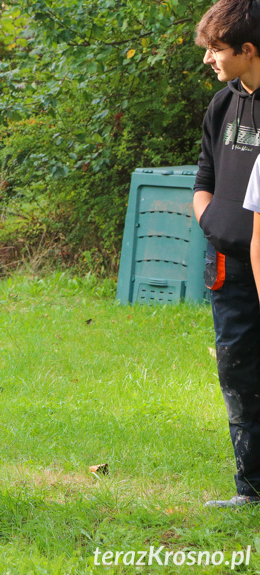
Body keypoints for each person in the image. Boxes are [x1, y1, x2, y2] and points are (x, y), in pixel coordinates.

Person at [193, 0, 260, 508]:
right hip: (230, 269)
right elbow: (204, 178)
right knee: (238, 374)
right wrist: (211, 221)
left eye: (216, 50)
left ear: (248, 49)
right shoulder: (222, 105)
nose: (208, 60)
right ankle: (250, 490)